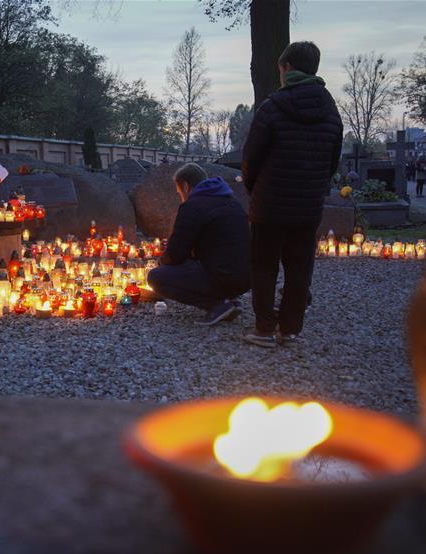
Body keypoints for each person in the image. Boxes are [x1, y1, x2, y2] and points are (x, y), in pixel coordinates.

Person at [241, 41, 343, 347]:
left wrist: (254, 189)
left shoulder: (272, 107)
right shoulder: (330, 110)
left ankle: (263, 329)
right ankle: (290, 329)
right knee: (299, 268)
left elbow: (251, 158)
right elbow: (332, 161)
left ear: (286, 68)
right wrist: (313, 187)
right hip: (307, 207)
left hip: (269, 204)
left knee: (264, 266)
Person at [146, 163, 250, 326]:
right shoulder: (230, 201)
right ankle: (228, 299)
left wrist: (160, 263)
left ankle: (217, 305)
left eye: (179, 192)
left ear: (186, 186)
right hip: (246, 278)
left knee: (156, 277)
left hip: (223, 277)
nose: (180, 196)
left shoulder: (193, 206)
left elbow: (176, 253)